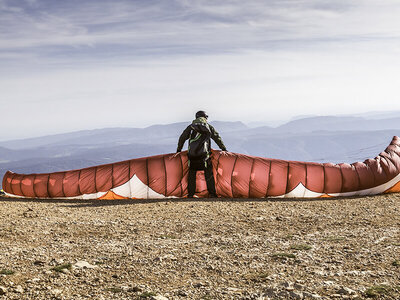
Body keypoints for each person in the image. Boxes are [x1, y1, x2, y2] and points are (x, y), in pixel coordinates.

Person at [177, 110, 227, 198]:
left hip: (192, 156)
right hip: (204, 156)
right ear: (205, 118)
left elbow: (182, 138)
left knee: (192, 175)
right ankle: (212, 193)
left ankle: (191, 194)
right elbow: (217, 137)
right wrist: (223, 148)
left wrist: (178, 150)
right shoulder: (208, 127)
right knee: (208, 174)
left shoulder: (191, 127)